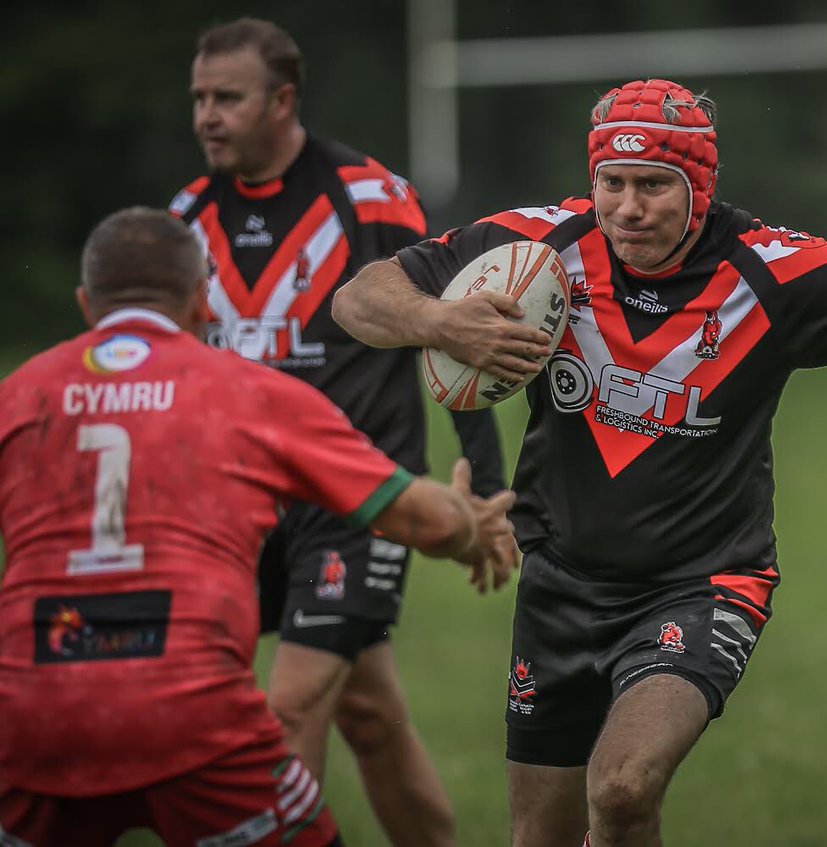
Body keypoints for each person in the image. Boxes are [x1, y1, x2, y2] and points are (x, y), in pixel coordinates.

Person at [330, 79, 827, 847]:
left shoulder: (780, 271)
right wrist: (440, 323)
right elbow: (361, 296)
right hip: (560, 582)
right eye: (612, 182)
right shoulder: (541, 244)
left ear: (699, 185)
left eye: (652, 183)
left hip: (703, 581)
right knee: (539, 835)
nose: (626, 206)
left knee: (620, 789)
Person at [0, 207, 519, 847]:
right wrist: (472, 525)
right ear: (201, 300)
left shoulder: (19, 395)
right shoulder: (250, 392)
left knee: (369, 707)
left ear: (86, 304)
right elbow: (425, 520)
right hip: (194, 715)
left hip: (32, 714)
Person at [170, 19, 507, 845]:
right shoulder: (184, 218)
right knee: (368, 713)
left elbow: (446, 334)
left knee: (287, 708)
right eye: (199, 99)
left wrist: (486, 479)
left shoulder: (369, 196)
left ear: (283, 100)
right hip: (236, 503)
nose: (207, 117)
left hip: (355, 497)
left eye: (228, 98)